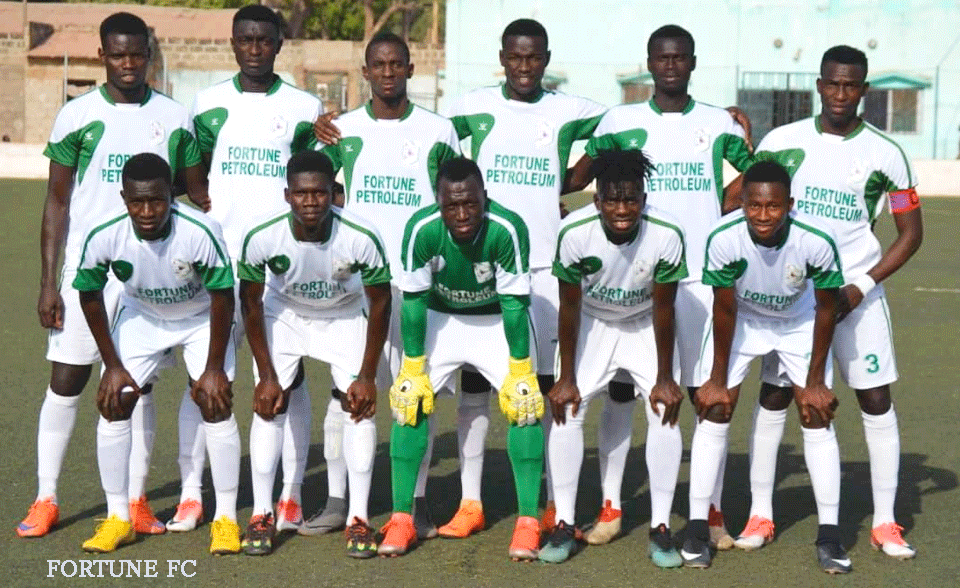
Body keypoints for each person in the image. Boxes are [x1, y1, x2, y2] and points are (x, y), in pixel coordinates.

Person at [315, 20, 605, 536]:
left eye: (533, 57)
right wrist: (317, 126)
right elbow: (318, 176)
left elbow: (621, 129)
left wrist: (569, 182)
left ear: (545, 58)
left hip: (529, 268)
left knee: (531, 390)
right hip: (394, 278)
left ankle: (538, 504)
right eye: (514, 57)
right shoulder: (467, 108)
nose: (524, 66)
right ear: (501, 58)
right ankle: (359, 501)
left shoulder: (558, 111)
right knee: (377, 391)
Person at [563, 24, 754, 547]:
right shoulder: (620, 121)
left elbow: (758, 175)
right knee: (622, 392)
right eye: (662, 58)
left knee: (704, 396)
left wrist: (724, 199)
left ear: (692, 62)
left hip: (696, 280)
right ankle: (611, 507)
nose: (671, 66)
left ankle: (709, 512)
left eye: (680, 57)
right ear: (649, 63)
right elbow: (579, 177)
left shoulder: (717, 123)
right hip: (636, 280)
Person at [19, 11, 207, 539]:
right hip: (88, 271)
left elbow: (195, 189)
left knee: (137, 388)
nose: (128, 63)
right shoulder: (77, 114)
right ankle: (46, 496)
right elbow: (57, 202)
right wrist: (48, 282)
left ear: (149, 54)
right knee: (67, 380)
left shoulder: (174, 117)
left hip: (147, 274)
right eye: (118, 54)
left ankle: (137, 501)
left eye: (137, 54)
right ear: (102, 55)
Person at [730, 45, 921, 560]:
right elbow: (741, 197)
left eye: (851, 85)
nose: (841, 94)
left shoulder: (886, 154)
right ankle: (760, 514)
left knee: (875, 399)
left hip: (856, 298)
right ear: (819, 85)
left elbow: (910, 234)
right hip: (792, 300)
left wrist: (861, 286)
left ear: (864, 90)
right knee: (775, 397)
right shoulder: (783, 141)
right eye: (833, 84)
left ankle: (886, 522)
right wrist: (736, 144)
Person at [175, 3, 324, 534]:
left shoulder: (305, 108)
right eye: (245, 39)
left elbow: (317, 180)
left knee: (288, 379)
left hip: (277, 269)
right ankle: (191, 495)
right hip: (218, 266)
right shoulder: (207, 103)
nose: (255, 48)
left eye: (264, 40)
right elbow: (190, 174)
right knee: (202, 379)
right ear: (233, 43)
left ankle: (290, 494)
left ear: (279, 44)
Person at [310, 31, 460, 538]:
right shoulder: (343, 130)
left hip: (417, 285)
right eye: (380, 64)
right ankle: (338, 500)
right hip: (357, 287)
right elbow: (309, 180)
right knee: (344, 393)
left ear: (411, 69)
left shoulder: (438, 131)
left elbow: (455, 200)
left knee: (413, 396)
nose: (389, 72)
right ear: (366, 72)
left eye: (398, 64)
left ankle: (415, 502)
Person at [682, 160, 848, 574]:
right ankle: (698, 529)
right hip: (744, 320)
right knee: (714, 409)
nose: (763, 215)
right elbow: (724, 309)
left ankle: (830, 536)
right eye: (754, 206)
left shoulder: (816, 240)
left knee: (815, 414)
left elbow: (827, 309)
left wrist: (814, 382)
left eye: (773, 206)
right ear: (742, 203)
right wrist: (717, 380)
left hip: (798, 322)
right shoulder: (723, 238)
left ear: (789, 204)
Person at [377, 157, 544, 561]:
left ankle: (528, 522)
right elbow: (413, 302)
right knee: (408, 402)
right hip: (441, 317)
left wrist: (520, 368)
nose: (463, 214)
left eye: (471, 203)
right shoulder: (422, 228)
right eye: (452, 205)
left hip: (495, 319)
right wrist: (413, 366)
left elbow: (514, 305)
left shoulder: (507, 227)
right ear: (439, 202)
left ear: (485, 196)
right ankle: (402, 518)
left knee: (524, 405)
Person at [73, 153, 240, 555]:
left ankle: (227, 518)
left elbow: (222, 297)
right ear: (124, 198)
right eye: (137, 202)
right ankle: (119, 518)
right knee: (115, 401)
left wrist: (214, 368)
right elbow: (89, 295)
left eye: (157, 201)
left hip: (200, 317)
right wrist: (112, 365)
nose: (147, 212)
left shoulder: (201, 230)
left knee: (215, 403)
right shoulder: (105, 233)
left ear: (171, 195)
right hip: (143, 315)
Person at [237, 151, 391, 558]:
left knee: (358, 407)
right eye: (301, 193)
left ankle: (358, 518)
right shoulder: (262, 235)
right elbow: (250, 303)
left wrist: (367, 375)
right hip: (285, 313)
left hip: (344, 314)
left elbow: (380, 302)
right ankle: (262, 513)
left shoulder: (361, 234)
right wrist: (266, 375)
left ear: (333, 194)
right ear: (287, 194)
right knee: (270, 405)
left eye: (319, 193)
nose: (310, 202)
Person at [541, 150, 686, 567]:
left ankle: (661, 528)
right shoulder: (574, 232)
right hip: (594, 321)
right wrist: (566, 377)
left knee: (664, 409)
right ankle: (565, 522)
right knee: (568, 407)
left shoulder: (667, 233)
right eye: (612, 200)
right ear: (597, 200)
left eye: (631, 200)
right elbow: (569, 307)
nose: (622, 210)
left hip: (643, 322)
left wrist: (665, 377)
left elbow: (665, 309)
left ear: (644, 198)